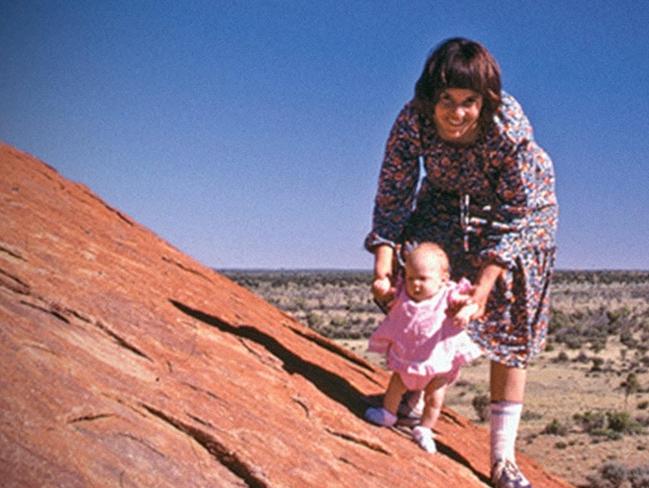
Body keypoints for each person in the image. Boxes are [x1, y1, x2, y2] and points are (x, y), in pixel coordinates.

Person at [364, 37, 558, 488]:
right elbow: (393, 197)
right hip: (448, 197)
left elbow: (514, 216)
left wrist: (482, 293)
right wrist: (382, 270)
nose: (456, 113)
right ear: (430, 97)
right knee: (419, 272)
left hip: (523, 210)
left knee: (509, 308)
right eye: (446, 100)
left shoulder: (507, 128)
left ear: (484, 102)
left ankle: (502, 458)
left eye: (469, 102)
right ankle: (412, 392)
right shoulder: (412, 120)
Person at [364, 242, 482, 453]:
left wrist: (466, 311)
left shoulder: (448, 295)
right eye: (411, 278)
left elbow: (471, 302)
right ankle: (388, 414)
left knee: (434, 399)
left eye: (423, 279)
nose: (415, 284)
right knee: (396, 386)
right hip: (408, 357)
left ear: (443, 279)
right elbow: (388, 294)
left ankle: (425, 429)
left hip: (437, 360)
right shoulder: (403, 294)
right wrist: (382, 287)